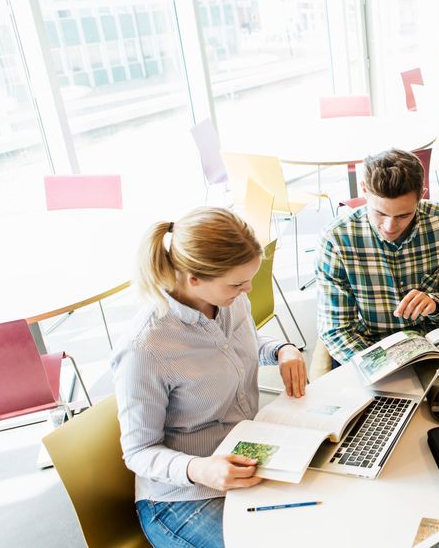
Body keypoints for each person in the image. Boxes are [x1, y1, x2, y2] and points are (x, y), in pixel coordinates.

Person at [111, 207, 307, 548]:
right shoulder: (146, 348)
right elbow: (138, 452)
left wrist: (281, 349)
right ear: (194, 279)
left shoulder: (229, 300)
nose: (247, 290)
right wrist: (201, 470)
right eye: (236, 283)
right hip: (182, 497)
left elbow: (237, 344)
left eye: (249, 279)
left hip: (248, 456)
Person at [313, 149, 439, 375]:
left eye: (403, 216)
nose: (390, 227)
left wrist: (436, 303)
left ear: (422, 195)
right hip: (371, 350)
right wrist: (382, 370)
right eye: (380, 213)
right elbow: (337, 330)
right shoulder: (336, 240)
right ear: (364, 190)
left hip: (436, 346)